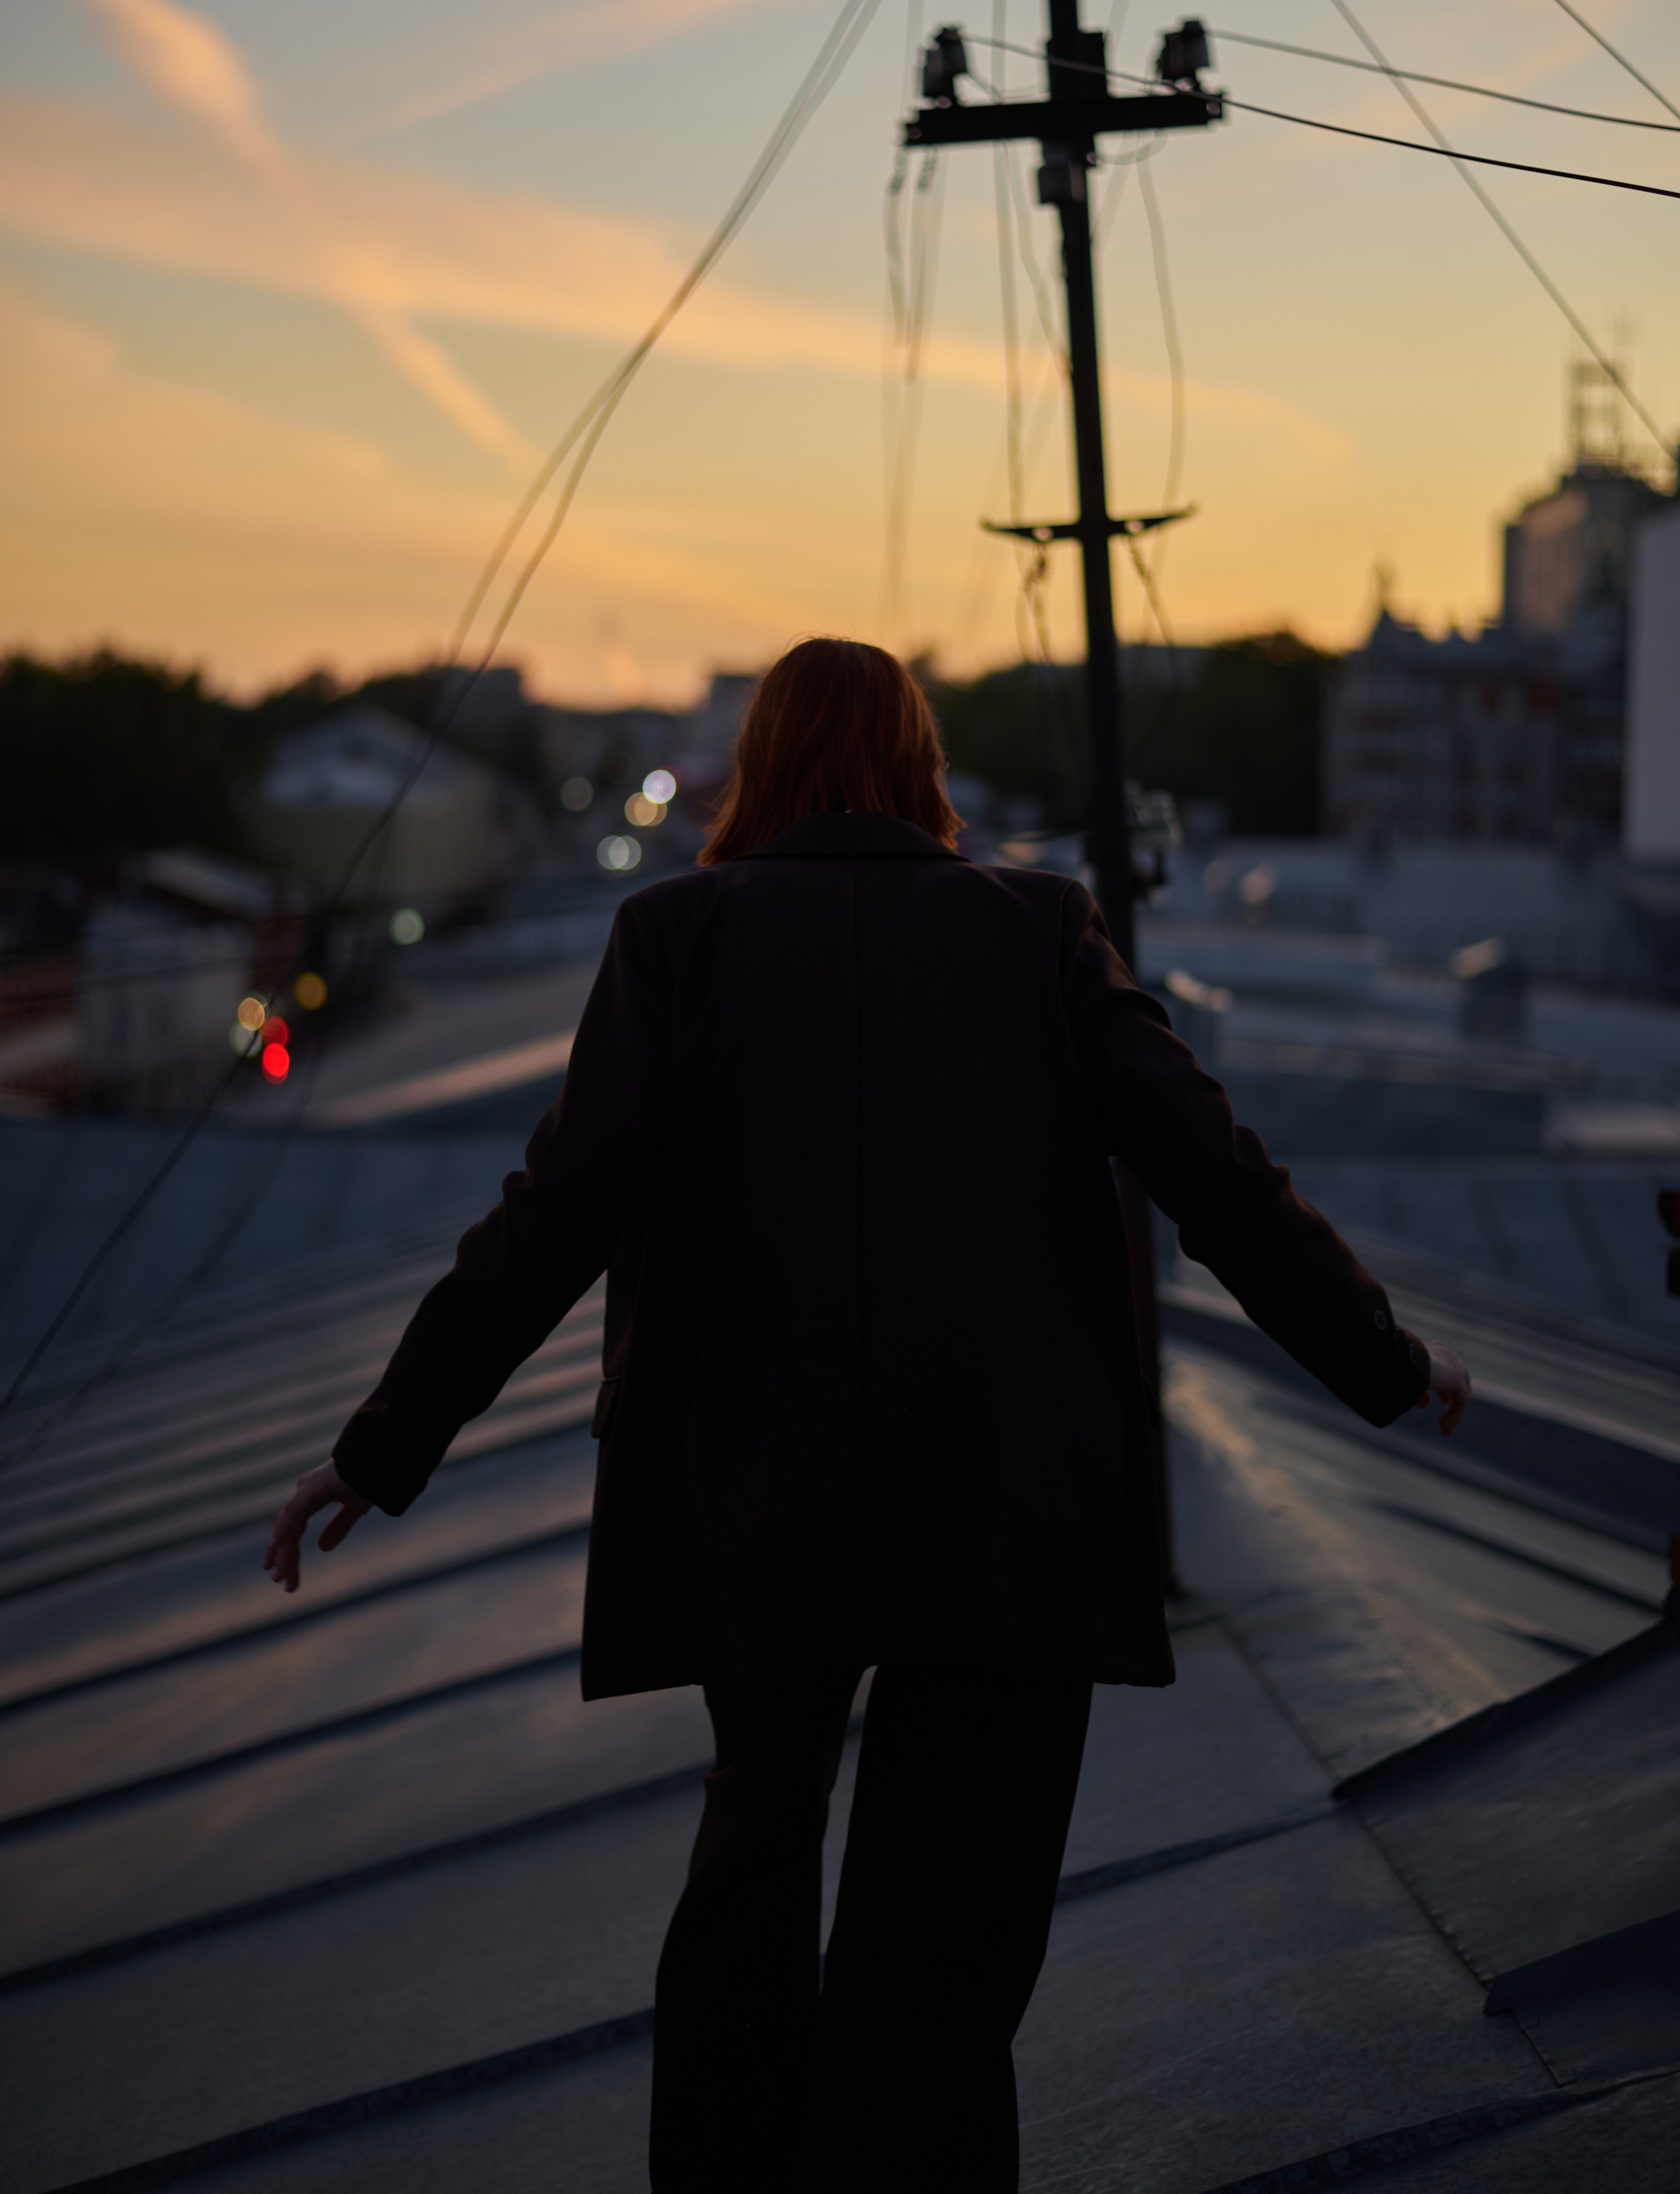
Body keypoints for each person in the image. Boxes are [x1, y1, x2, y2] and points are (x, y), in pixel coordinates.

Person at [267, 637, 1470, 2193]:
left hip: (748, 1499)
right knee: (945, 1952)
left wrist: (378, 1449)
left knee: (753, 1859)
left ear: (755, 762)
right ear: (921, 762)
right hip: (1001, 1501)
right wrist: (1380, 1357)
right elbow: (1208, 1165)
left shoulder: (672, 934)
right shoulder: (1039, 924)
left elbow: (552, 1214)